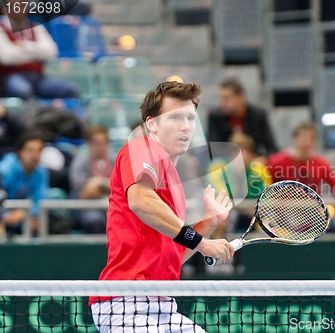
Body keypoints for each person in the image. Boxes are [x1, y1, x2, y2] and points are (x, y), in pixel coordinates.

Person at [89, 81, 234, 332]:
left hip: (163, 305)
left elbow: (174, 255)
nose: (186, 126)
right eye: (175, 117)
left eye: (190, 118)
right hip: (126, 304)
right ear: (152, 124)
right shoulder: (140, 148)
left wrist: (209, 222)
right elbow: (140, 200)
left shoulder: (173, 180)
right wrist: (202, 243)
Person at [0, 0, 79, 100]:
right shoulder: (1, 28)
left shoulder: (36, 27)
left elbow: (51, 52)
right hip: (11, 76)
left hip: (38, 77)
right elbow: (7, 57)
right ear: (5, 9)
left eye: (22, 5)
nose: (19, 9)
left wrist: (23, 47)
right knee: (22, 90)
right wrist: (36, 51)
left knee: (70, 90)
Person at [267, 122, 335, 198]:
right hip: (283, 209)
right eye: (303, 137)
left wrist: (333, 209)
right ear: (295, 139)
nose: (307, 142)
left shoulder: (322, 164)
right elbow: (265, 186)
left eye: (311, 138)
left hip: (312, 209)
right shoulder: (276, 162)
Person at [207, 78, 277, 156]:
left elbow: (270, 148)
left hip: (254, 161)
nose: (222, 103)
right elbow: (213, 149)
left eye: (226, 98)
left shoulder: (258, 116)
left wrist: (259, 157)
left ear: (241, 97)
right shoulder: (216, 117)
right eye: (220, 98)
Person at [0, 132, 47, 237]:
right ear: (20, 152)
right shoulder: (5, 170)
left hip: (21, 217)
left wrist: (28, 214)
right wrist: (5, 215)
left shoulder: (41, 172)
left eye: (39, 151)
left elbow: (40, 200)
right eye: (30, 151)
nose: (35, 156)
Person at [70, 126, 114, 234]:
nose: (100, 147)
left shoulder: (115, 161)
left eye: (103, 143)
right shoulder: (80, 162)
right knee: (94, 220)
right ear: (89, 145)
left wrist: (98, 182)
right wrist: (107, 186)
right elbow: (85, 193)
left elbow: (122, 188)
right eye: (96, 143)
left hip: (112, 205)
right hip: (88, 206)